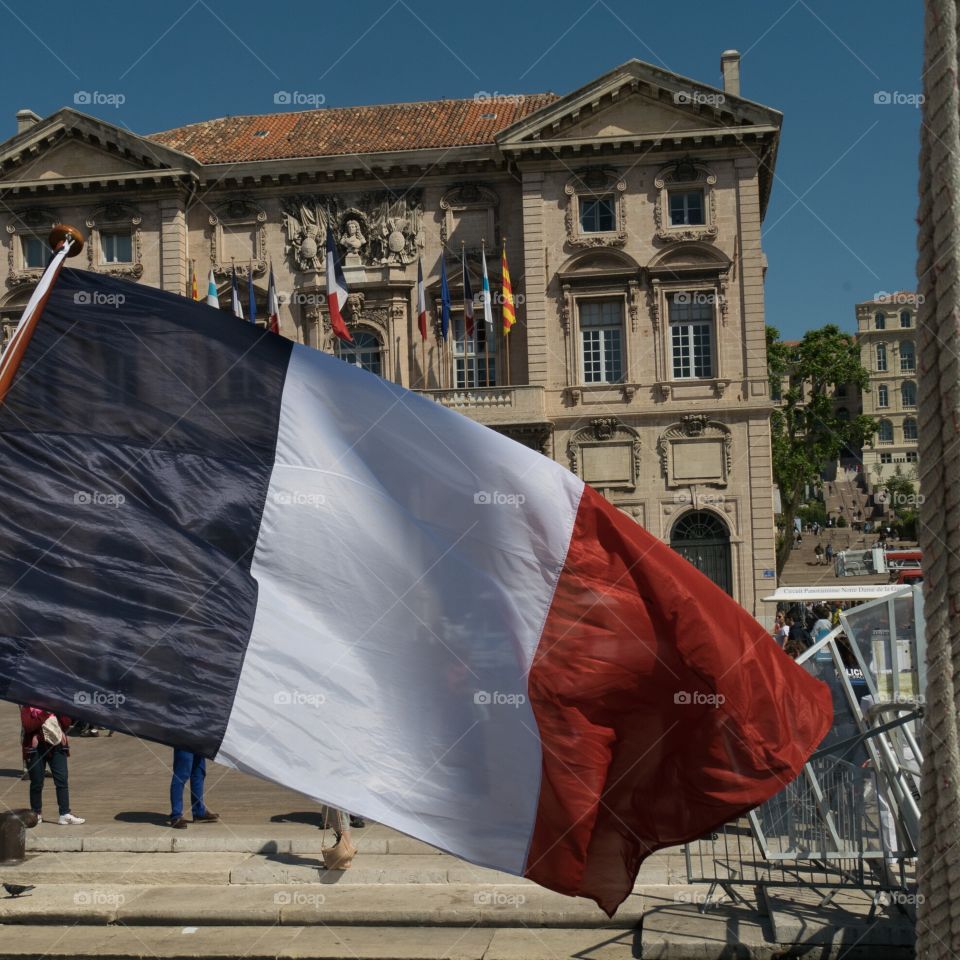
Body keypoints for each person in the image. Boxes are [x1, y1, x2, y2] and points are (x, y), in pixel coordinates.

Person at [20, 705, 85, 825]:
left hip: (57, 746)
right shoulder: (28, 707)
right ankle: (36, 813)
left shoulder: (56, 704)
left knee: (62, 780)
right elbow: (28, 726)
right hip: (35, 749)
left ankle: (65, 813)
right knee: (37, 782)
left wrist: (57, 710)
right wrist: (45, 712)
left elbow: (66, 723)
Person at [168, 749, 219, 829]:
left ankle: (199, 813)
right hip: (184, 740)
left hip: (200, 741)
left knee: (199, 773)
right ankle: (176, 815)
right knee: (181, 775)